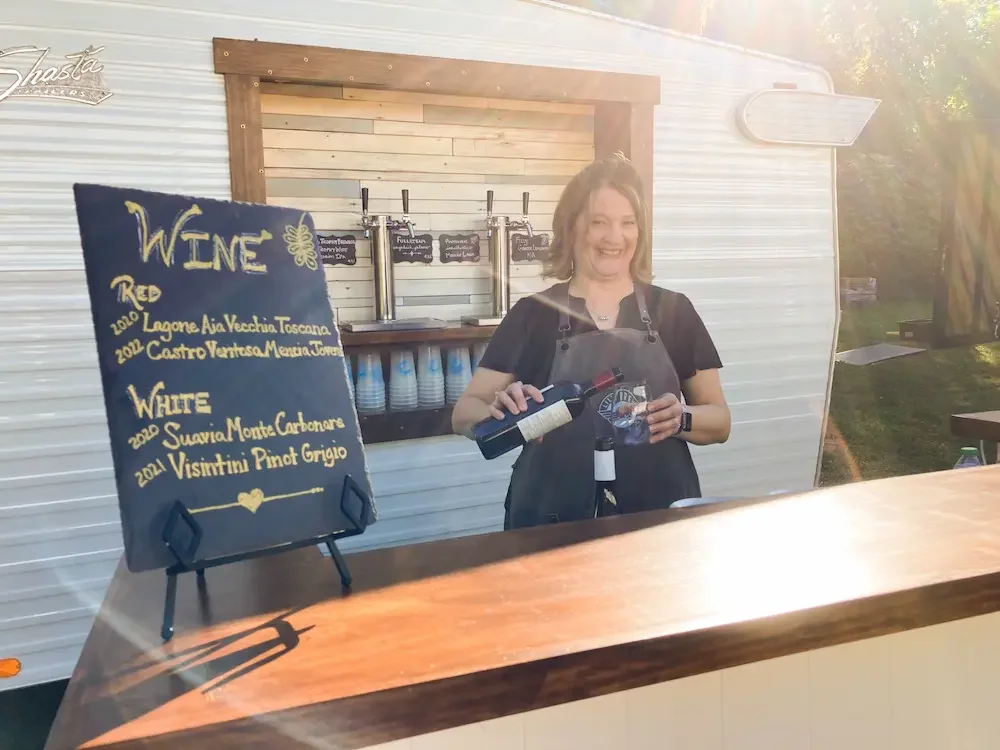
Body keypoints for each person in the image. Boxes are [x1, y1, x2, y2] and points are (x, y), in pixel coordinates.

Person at [451, 155, 730, 529]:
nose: (615, 237)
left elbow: (720, 420)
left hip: (658, 519)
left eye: (627, 223)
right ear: (571, 228)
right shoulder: (533, 313)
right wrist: (500, 410)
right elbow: (464, 414)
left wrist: (683, 419)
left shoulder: (674, 310)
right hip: (549, 518)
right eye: (599, 222)